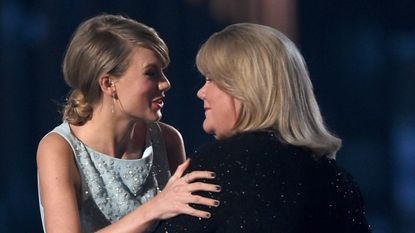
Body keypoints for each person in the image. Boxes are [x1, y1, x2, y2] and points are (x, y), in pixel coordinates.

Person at [154, 23, 372, 233]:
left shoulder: (216, 166)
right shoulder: (338, 180)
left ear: (245, 88)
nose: (201, 92)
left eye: (212, 79)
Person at [36, 14, 221, 233]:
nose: (166, 84)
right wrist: (155, 208)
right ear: (108, 84)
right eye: (151, 73)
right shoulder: (59, 149)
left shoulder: (168, 140)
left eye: (163, 72)